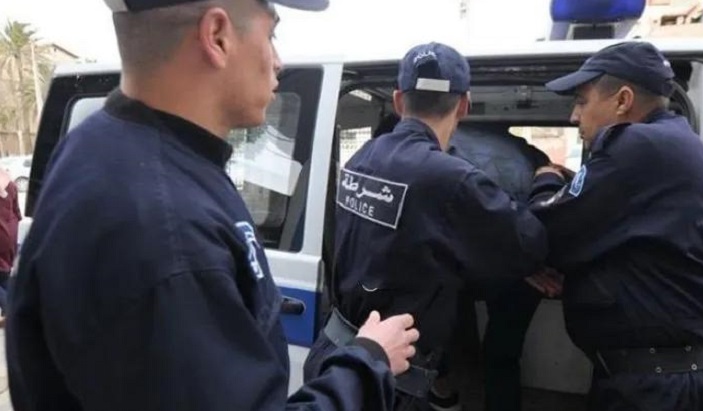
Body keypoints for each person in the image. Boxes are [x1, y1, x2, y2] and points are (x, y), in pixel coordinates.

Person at [6, 1, 419, 410]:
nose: (277, 61)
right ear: (217, 36)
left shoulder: (105, 145)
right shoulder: (165, 232)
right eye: (271, 34)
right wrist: (368, 363)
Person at [302, 42, 550, 411]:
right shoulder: (452, 179)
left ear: (399, 100)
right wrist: (546, 178)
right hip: (391, 379)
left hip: (335, 355)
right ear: (463, 105)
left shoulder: (362, 157)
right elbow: (530, 244)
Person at [529, 41, 703, 411]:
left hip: (663, 388)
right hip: (680, 376)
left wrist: (545, 180)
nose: (574, 116)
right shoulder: (672, 142)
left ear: (623, 100)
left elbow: (541, 230)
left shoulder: (637, 145)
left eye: (581, 101)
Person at [447, 123, 551, 411]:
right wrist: (533, 264)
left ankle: (452, 392)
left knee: (454, 329)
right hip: (525, 267)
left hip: (486, 262)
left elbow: (459, 227)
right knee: (502, 353)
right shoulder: (529, 153)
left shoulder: (445, 151)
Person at [0, 167, 21, 324]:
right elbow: (18, 213)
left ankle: (10, 310)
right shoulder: (10, 183)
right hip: (11, 233)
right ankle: (12, 309)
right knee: (5, 273)